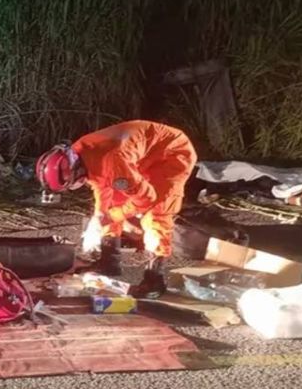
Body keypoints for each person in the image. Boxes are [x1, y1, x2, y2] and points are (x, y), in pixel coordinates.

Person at [36, 120, 197, 298]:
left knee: (157, 212)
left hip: (172, 152)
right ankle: (109, 261)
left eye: (70, 184)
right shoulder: (79, 153)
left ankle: (155, 279)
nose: (74, 187)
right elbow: (101, 185)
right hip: (141, 154)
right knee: (111, 204)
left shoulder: (113, 162)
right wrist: (99, 216)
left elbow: (146, 198)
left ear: (75, 171)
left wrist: (112, 216)